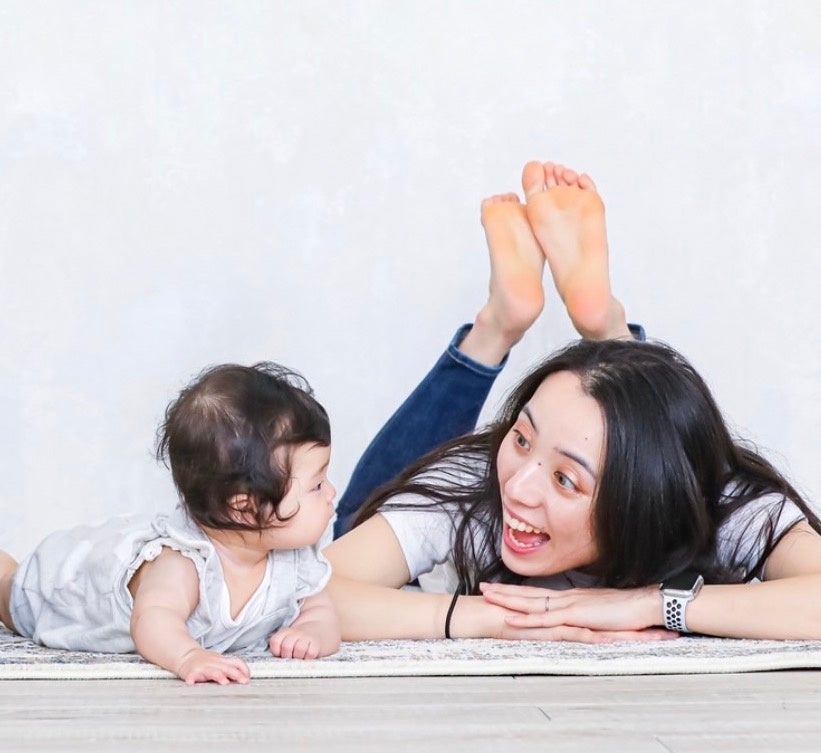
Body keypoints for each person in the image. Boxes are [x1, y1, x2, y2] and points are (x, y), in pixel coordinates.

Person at [325, 160, 821, 643]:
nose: (519, 486)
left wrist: (652, 604)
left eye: (566, 479)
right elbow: (311, 593)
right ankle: (501, 324)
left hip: (661, 468)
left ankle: (603, 325)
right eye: (521, 438)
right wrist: (495, 619)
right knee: (358, 518)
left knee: (640, 425)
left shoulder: (719, 501)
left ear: (640, 501)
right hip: (421, 499)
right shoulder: (478, 485)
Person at [0, 363, 341, 684]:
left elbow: (321, 612)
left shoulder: (294, 559)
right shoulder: (185, 563)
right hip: (67, 587)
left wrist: (310, 632)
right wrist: (188, 656)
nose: (331, 492)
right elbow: (152, 619)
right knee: (8, 592)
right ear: (244, 507)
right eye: (316, 485)